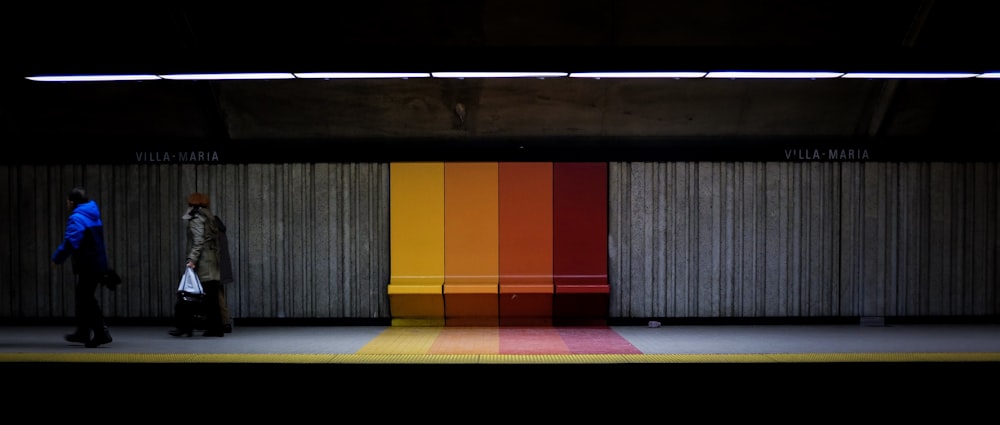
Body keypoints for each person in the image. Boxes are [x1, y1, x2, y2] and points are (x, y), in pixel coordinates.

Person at [51, 187, 113, 348]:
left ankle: (101, 332)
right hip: (97, 262)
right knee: (83, 297)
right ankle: (83, 332)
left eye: (67, 201)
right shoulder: (92, 213)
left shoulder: (77, 217)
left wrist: (57, 259)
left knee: (86, 299)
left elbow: (71, 241)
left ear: (72, 202)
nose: (66, 204)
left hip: (89, 265)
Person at [170, 192, 226, 337]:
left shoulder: (197, 218)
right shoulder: (210, 217)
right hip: (212, 261)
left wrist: (192, 260)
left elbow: (198, 241)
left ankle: (184, 327)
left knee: (187, 294)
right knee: (211, 298)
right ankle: (216, 329)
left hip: (203, 263)